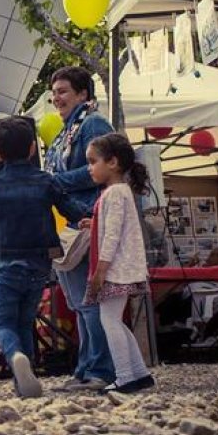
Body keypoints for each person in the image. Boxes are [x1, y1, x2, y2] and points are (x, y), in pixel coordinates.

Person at [0, 118, 86, 398]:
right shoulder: (45, 180)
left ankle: (16, 357)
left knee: (4, 323)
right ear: (31, 149)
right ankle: (26, 379)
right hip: (39, 263)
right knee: (26, 320)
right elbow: (70, 209)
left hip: (6, 263)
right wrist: (91, 213)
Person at [42, 66, 116, 392]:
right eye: (54, 93)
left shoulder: (93, 123)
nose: (56, 98)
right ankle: (86, 368)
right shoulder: (65, 131)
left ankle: (100, 370)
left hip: (88, 220)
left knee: (89, 301)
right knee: (79, 303)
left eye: (63, 91)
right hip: (69, 225)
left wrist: (54, 182)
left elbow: (100, 169)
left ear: (83, 93)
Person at [84, 133, 155, 394]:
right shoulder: (121, 192)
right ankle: (139, 374)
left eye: (93, 162)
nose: (89, 168)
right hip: (124, 267)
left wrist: (100, 271)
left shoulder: (114, 193)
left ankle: (125, 376)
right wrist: (93, 223)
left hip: (115, 269)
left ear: (112, 162)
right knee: (115, 320)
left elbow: (112, 235)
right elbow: (113, 227)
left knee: (110, 320)